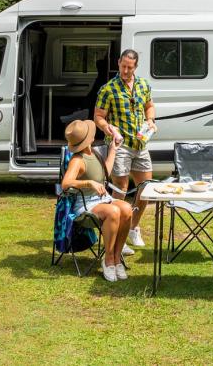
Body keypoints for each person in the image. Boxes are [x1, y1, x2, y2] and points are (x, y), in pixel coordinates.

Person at [93, 48, 154, 254]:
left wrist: (151, 121)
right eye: (123, 66)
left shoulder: (144, 85)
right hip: (120, 145)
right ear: (118, 63)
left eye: (130, 67)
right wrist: (107, 127)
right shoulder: (108, 89)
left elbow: (149, 106)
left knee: (146, 188)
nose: (126, 70)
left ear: (135, 67)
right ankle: (119, 234)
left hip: (141, 144)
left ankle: (133, 227)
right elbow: (98, 116)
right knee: (120, 187)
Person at [60, 119, 135, 281]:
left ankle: (116, 258)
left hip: (102, 200)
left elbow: (105, 174)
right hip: (85, 205)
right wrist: (89, 183)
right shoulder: (77, 160)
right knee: (114, 211)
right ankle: (108, 260)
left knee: (127, 209)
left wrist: (113, 150)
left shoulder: (93, 153)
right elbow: (65, 184)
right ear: (88, 138)